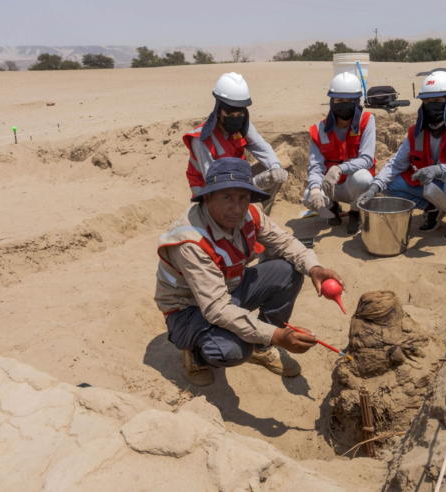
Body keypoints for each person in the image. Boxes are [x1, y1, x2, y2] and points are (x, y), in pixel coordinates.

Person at [155, 157, 345, 386]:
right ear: (208, 197)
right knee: (233, 350)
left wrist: (315, 268)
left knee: (289, 271)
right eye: (227, 197)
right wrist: (279, 336)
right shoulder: (191, 242)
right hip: (189, 309)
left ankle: (262, 346)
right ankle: (195, 354)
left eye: (243, 197)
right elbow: (215, 308)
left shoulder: (248, 214)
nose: (237, 207)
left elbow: (284, 242)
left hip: (229, 288)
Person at [356, 72, 446, 243]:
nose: (430, 106)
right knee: (389, 183)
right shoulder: (417, 131)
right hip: (433, 184)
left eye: (436, 101)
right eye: (426, 101)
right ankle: (432, 208)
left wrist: (437, 169)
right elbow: (396, 164)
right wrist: (373, 188)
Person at [183, 72, 288, 208]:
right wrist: (254, 183)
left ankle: (257, 219)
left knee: (270, 170)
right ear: (219, 110)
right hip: (211, 195)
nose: (236, 118)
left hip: (238, 180)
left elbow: (261, 146)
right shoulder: (201, 140)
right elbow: (215, 183)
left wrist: (275, 167)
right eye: (230, 114)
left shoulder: (243, 125)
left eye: (240, 114)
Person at [303, 72, 376, 234]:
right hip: (332, 187)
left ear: (357, 102)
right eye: (340, 100)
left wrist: (339, 169)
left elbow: (367, 159)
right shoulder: (319, 129)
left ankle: (356, 212)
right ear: (332, 101)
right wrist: (315, 189)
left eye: (350, 101)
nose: (344, 104)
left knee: (363, 178)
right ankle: (332, 209)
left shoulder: (367, 121)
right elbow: (315, 167)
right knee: (309, 194)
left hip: (354, 186)